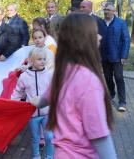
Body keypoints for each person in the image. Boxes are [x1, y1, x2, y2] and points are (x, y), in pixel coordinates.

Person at [31, 13, 116, 159]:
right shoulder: (89, 80)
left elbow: (44, 99)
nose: (100, 37)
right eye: (95, 33)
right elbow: (99, 137)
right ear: (83, 40)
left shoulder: (63, 71)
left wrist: (32, 101)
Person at [11, 48, 54, 159]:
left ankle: (50, 157)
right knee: (35, 138)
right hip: (32, 114)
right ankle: (36, 156)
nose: (43, 61)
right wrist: (12, 104)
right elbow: (18, 92)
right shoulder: (24, 76)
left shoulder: (49, 75)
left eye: (44, 59)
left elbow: (53, 91)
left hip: (47, 113)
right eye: (39, 59)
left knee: (49, 136)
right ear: (31, 60)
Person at [98, 2, 130, 112]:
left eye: (109, 10)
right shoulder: (100, 23)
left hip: (117, 56)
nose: (106, 12)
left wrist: (124, 55)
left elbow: (126, 40)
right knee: (107, 78)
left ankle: (122, 102)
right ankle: (111, 94)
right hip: (104, 56)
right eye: (105, 10)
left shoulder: (121, 23)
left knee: (119, 78)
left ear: (114, 11)